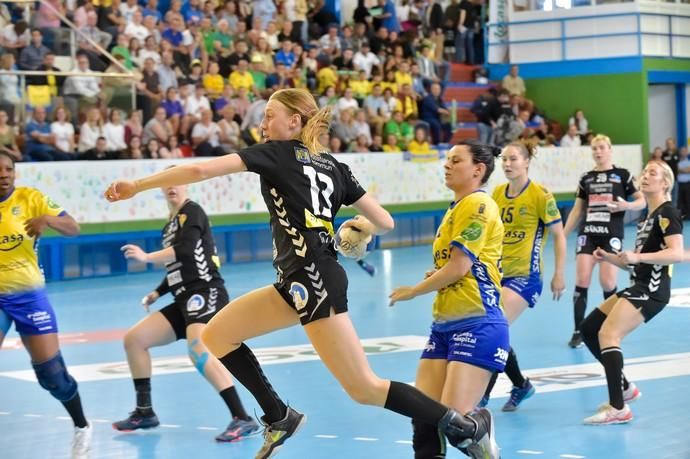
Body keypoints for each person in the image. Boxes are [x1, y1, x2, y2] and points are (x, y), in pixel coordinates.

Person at [104, 88, 498, 459]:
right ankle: (279, 416)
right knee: (216, 335)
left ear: (294, 122)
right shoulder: (334, 165)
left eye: (270, 115)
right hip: (301, 279)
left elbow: (199, 171)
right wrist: (353, 229)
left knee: (363, 387)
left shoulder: (275, 153)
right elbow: (384, 221)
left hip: (312, 280)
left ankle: (464, 426)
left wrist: (137, 184)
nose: (262, 123)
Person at [111, 177, 261, 441]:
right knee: (134, 340)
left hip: (205, 291)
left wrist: (146, 257)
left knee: (197, 349)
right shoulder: (169, 225)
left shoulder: (193, 211)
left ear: (187, 185)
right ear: (161, 189)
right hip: (183, 299)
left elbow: (185, 250)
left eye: (178, 180)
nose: (172, 185)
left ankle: (242, 417)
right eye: (168, 182)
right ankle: (145, 411)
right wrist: (157, 293)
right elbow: (177, 267)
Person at [388, 141, 507, 459]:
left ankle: (480, 424)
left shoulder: (478, 205)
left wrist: (414, 290)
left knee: (453, 420)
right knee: (425, 419)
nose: (447, 165)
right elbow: (455, 265)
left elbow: (459, 266)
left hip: (478, 320)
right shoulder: (456, 208)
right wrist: (436, 274)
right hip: (444, 324)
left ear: (478, 170)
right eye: (447, 160)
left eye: (456, 160)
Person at [0, 152, 91, 457]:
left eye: (8, 169)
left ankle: (81, 426)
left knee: (53, 377)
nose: (3, 174)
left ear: (14, 173)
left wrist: (48, 220)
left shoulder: (30, 198)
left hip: (29, 296)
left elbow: (74, 227)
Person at [580, 160, 683, 424]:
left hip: (652, 290)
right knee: (590, 328)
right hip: (639, 285)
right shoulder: (646, 217)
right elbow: (635, 263)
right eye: (645, 172)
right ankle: (625, 388)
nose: (646, 176)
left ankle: (619, 408)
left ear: (665, 183)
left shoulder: (667, 213)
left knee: (608, 333)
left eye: (653, 173)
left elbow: (676, 254)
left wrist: (637, 257)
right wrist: (610, 258)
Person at [480, 141, 567, 411]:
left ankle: (483, 395)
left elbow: (559, 235)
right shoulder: (496, 192)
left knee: (492, 327)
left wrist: (559, 273)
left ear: (527, 161)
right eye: (504, 159)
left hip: (525, 277)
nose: (507, 164)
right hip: (497, 273)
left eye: (513, 159)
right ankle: (521, 384)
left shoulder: (540, 195)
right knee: (494, 330)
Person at [563, 135, 645, 348]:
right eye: (594, 149)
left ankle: (610, 328)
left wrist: (625, 206)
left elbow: (641, 201)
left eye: (601, 148)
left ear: (610, 149)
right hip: (588, 233)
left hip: (611, 235)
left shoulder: (622, 175)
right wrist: (562, 235)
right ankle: (577, 331)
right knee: (582, 280)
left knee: (608, 282)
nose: (598, 152)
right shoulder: (586, 177)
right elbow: (577, 209)